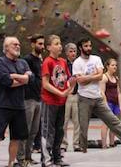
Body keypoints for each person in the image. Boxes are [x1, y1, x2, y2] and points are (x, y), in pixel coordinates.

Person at [72, 37, 121, 153]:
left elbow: (99, 76)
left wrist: (87, 77)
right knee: (83, 125)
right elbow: (80, 81)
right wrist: (94, 75)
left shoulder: (96, 59)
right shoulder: (77, 63)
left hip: (97, 98)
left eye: (89, 46)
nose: (88, 48)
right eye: (86, 46)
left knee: (112, 120)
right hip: (84, 98)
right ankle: (83, 148)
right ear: (80, 48)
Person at [0, 37, 32, 167]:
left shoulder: (23, 63)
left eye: (19, 44)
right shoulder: (0, 62)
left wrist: (16, 76)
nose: (18, 46)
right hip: (4, 105)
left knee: (16, 137)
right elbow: (5, 81)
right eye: (14, 44)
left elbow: (31, 78)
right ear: (6, 47)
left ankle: (11, 163)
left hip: (19, 105)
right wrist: (23, 79)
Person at [40, 35, 76, 167]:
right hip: (49, 101)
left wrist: (71, 85)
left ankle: (57, 157)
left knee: (59, 130)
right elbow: (45, 84)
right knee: (48, 130)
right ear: (49, 47)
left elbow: (66, 79)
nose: (59, 46)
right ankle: (46, 159)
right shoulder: (47, 62)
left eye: (60, 43)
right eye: (56, 44)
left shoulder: (63, 62)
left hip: (61, 101)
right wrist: (60, 92)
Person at [17, 34, 45, 166]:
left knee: (34, 131)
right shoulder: (27, 59)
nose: (42, 46)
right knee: (25, 130)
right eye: (39, 44)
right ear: (33, 44)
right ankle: (21, 158)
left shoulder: (40, 60)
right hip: (28, 98)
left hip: (38, 98)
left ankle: (28, 156)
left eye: (43, 44)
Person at [61, 43, 80, 152]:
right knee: (64, 121)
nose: (73, 53)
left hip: (77, 95)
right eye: (71, 51)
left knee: (77, 121)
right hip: (66, 95)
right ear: (66, 52)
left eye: (74, 51)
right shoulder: (63, 63)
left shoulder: (79, 63)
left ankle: (76, 143)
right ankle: (63, 144)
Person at [100, 58, 121, 148]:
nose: (115, 67)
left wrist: (120, 106)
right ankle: (104, 144)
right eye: (112, 65)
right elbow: (102, 92)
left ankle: (112, 142)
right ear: (107, 66)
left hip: (116, 103)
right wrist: (105, 105)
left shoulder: (116, 78)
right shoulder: (104, 77)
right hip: (108, 103)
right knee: (106, 124)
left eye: (116, 65)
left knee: (114, 124)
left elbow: (119, 93)